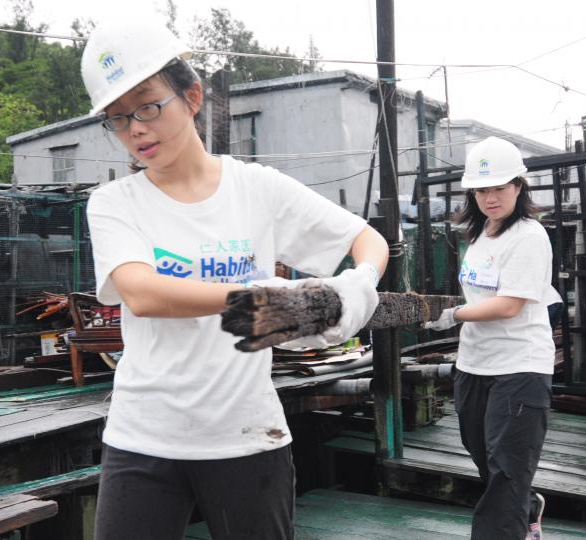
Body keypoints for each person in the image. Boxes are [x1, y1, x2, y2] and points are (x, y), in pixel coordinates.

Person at [80, 18, 388, 540]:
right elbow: (142, 292)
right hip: (143, 437)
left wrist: (356, 288)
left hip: (247, 438)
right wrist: (268, 303)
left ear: (192, 96)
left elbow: (366, 239)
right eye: (117, 118)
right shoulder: (114, 202)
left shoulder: (256, 189)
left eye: (148, 105)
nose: (136, 128)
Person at [424, 136, 559, 540]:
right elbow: (480, 294)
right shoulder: (481, 235)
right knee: (482, 453)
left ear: (519, 186)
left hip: (520, 367)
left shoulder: (529, 236)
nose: (490, 197)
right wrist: (450, 310)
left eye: (499, 187)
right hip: (474, 363)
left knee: (506, 469)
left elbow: (509, 305)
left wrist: (449, 314)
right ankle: (527, 505)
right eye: (482, 189)